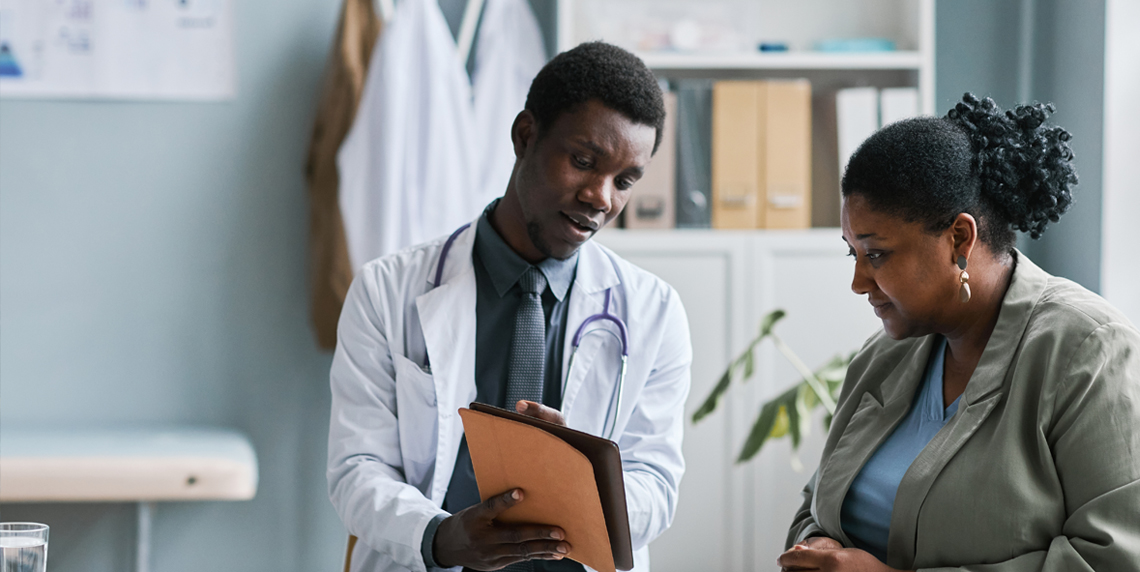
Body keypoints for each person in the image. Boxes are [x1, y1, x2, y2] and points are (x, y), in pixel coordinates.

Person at [327, 42, 692, 572]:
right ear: (525, 135)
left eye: (624, 180)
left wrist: (583, 478)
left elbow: (655, 483)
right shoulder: (387, 291)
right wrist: (443, 536)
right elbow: (357, 468)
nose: (601, 197)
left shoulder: (653, 311)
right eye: (584, 162)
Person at [779, 94, 1140, 571]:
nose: (859, 282)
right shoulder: (881, 358)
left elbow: (1114, 559)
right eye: (853, 254)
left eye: (878, 254)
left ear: (959, 239)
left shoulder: (1088, 351)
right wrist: (818, 546)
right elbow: (815, 504)